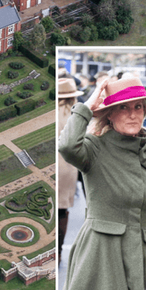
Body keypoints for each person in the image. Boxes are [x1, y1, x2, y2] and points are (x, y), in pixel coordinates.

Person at [58, 77, 146, 290]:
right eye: (123, 107)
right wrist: (87, 105)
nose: (133, 114)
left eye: (138, 107)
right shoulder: (94, 147)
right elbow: (67, 146)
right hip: (100, 254)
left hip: (139, 257)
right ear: (109, 114)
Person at [57, 78, 83, 257]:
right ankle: (58, 248)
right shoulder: (77, 117)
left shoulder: (54, 113)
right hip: (68, 168)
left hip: (56, 166)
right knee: (62, 211)